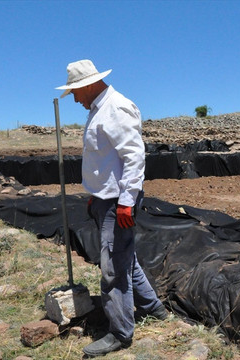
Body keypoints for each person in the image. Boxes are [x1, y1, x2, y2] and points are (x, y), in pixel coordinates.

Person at [56, 59, 168, 357]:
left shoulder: (116, 107)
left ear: (88, 85)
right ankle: (153, 308)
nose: (75, 99)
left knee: (113, 268)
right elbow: (106, 162)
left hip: (119, 201)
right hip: (105, 199)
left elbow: (134, 157)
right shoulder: (98, 109)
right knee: (123, 258)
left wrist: (126, 201)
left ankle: (120, 332)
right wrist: (97, 194)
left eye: (76, 93)